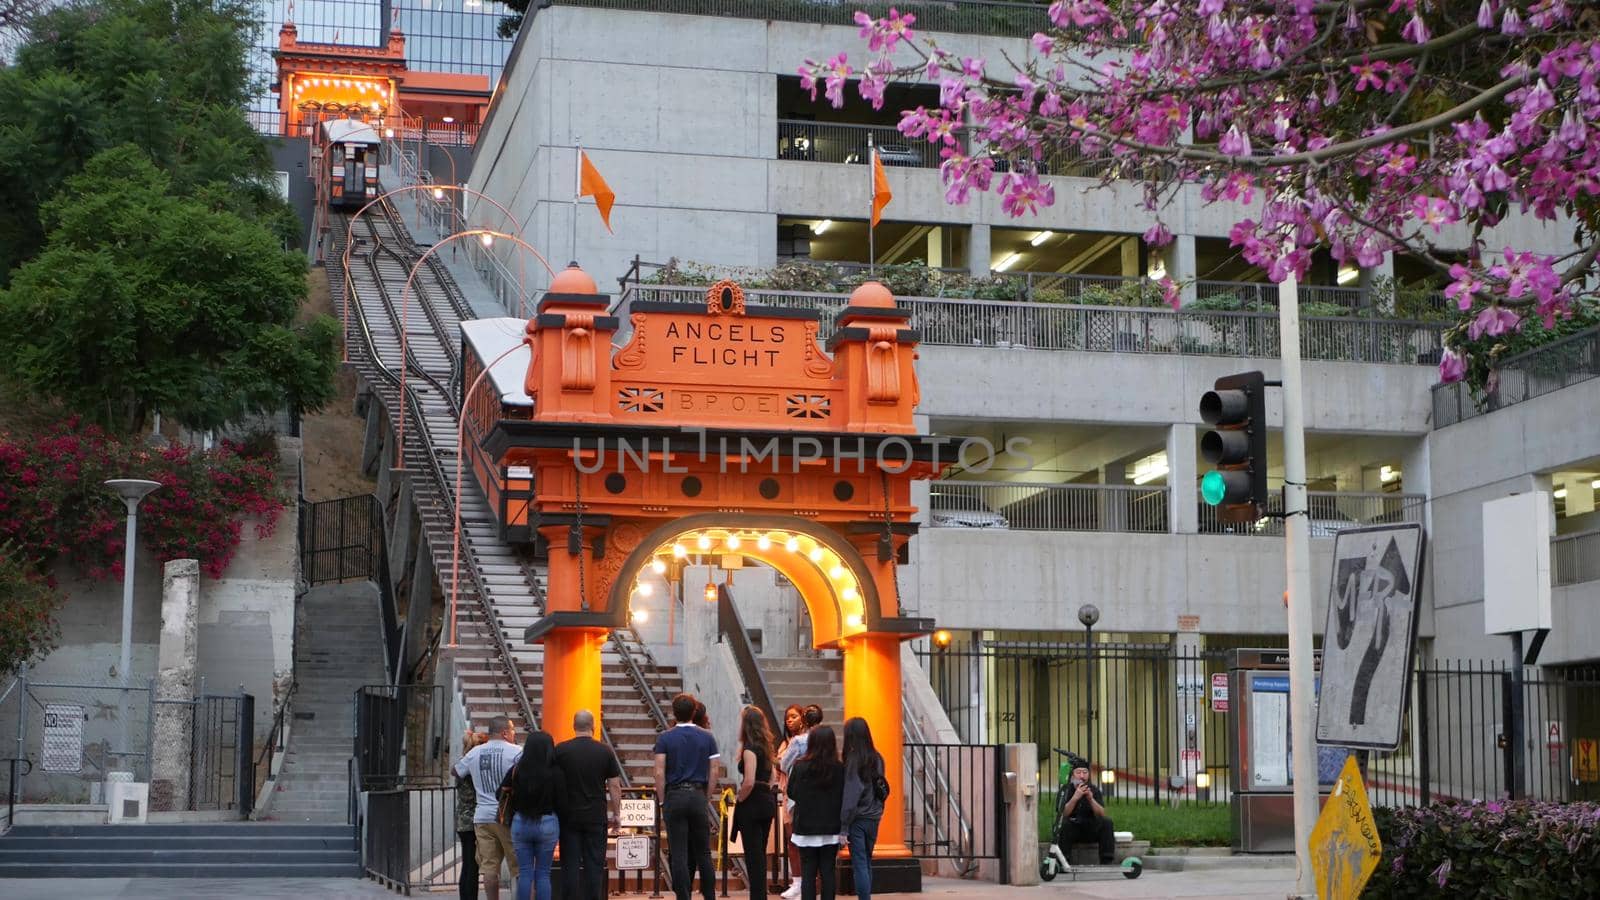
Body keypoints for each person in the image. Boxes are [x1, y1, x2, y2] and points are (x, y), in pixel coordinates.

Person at [654, 692, 721, 900]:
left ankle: (683, 897)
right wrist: (706, 796)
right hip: (697, 794)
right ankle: (709, 895)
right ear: (694, 711)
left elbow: (658, 771)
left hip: (674, 795)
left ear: (674, 713)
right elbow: (715, 771)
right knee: (703, 852)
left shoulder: (665, 737)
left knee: (679, 853)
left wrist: (663, 799)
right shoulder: (707, 737)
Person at [553, 709, 622, 900]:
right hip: (595, 817)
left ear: (574, 726)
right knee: (594, 865)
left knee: (570, 865)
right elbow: (615, 785)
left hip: (568, 818)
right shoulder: (605, 750)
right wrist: (617, 814)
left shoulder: (561, 750)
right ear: (593, 726)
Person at [453, 716, 523, 900]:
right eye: (513, 730)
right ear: (505, 732)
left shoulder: (475, 753)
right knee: (517, 867)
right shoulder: (517, 752)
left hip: (482, 817)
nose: (514, 733)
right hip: (507, 816)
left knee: (489, 869)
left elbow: (456, 771)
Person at [785, 725, 843, 900]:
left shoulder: (800, 766)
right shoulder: (839, 768)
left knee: (808, 873)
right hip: (831, 827)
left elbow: (791, 792)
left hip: (806, 826)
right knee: (828, 872)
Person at [508, 730, 563, 900]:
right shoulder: (556, 772)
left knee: (524, 873)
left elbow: (500, 793)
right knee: (543, 874)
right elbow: (562, 800)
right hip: (547, 823)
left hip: (521, 822)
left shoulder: (518, 769)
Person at [733, 706, 779, 900]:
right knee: (760, 852)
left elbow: (749, 780)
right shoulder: (767, 748)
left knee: (753, 855)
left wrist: (740, 798)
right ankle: (761, 895)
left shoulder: (749, 749)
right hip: (766, 802)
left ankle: (757, 896)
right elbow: (772, 778)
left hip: (752, 804)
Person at [777, 705, 821, 900]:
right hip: (817, 795)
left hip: (797, 795)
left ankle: (802, 883)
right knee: (806, 841)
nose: (790, 720)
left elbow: (783, 765)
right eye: (788, 717)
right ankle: (808, 884)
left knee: (796, 839)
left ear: (803, 719)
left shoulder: (798, 742)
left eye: (794, 716)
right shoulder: (825, 740)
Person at [839, 718, 885, 900]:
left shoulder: (853, 760)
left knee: (859, 863)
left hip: (857, 819)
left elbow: (851, 796)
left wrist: (843, 826)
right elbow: (882, 788)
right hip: (874, 817)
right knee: (866, 861)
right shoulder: (878, 757)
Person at [1057, 763, 1116, 865]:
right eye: (1078, 772)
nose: (1082, 776)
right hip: (1073, 828)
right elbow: (1063, 814)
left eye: (1085, 772)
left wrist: (1091, 799)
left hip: (1090, 828)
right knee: (1064, 824)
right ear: (1072, 775)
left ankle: (1107, 860)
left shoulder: (1094, 790)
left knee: (1107, 823)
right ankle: (1064, 861)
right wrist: (1075, 798)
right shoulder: (1065, 790)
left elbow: (1101, 814)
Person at [456, 730, 489, 900]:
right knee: (472, 865)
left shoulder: (463, 764)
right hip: (473, 820)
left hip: (463, 820)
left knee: (468, 864)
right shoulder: (471, 765)